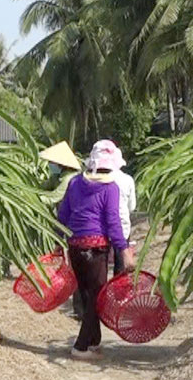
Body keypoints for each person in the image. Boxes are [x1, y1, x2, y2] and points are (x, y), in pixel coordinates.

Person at [56, 142, 136, 359]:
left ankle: (93, 340)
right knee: (97, 298)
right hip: (95, 249)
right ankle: (80, 347)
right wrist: (124, 250)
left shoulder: (74, 183)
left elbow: (63, 215)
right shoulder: (110, 189)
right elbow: (113, 223)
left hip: (75, 247)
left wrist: (57, 242)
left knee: (86, 292)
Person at [91, 140, 137, 276]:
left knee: (100, 269)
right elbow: (132, 207)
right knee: (120, 267)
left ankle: (100, 293)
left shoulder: (93, 179)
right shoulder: (127, 180)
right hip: (122, 228)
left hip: (99, 230)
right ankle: (117, 295)